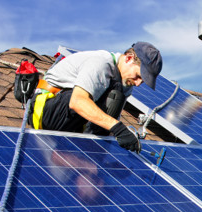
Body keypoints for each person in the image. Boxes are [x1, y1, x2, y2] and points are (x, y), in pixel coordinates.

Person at [29, 42, 162, 152]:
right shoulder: (101, 63)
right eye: (138, 76)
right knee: (100, 100)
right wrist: (118, 128)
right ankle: (80, 152)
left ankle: (89, 154)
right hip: (46, 110)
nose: (138, 83)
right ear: (128, 58)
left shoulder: (124, 84)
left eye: (142, 81)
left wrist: (118, 154)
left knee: (116, 97)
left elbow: (111, 121)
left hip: (71, 120)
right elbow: (77, 101)